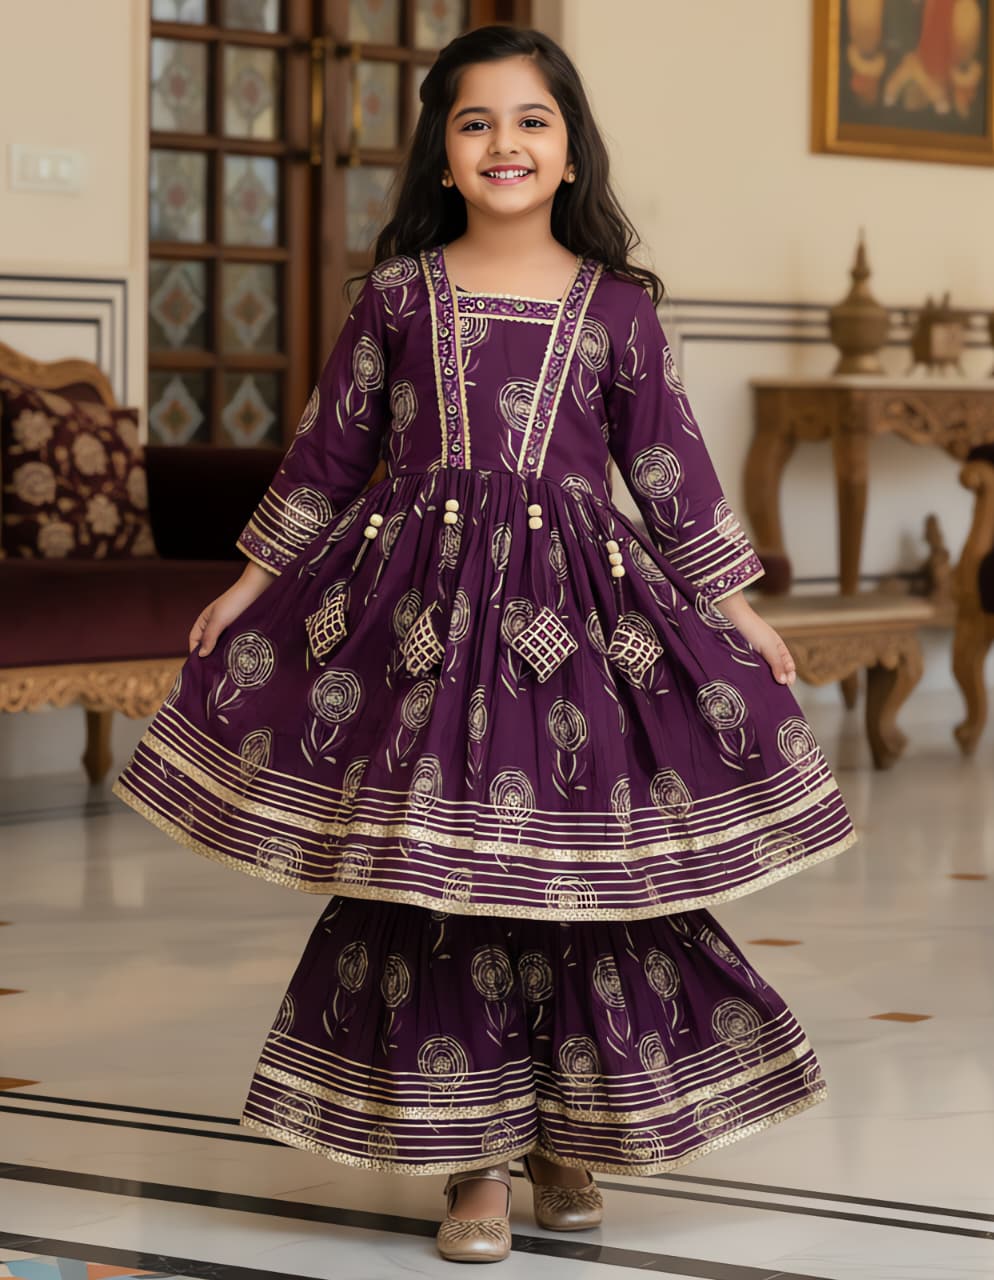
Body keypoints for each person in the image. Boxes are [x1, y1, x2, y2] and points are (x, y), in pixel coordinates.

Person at [112, 24, 858, 1266]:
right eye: (474, 123)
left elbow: (669, 471)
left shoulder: (619, 310)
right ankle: (471, 1166)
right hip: (419, 626)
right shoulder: (396, 299)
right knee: (437, 882)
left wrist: (738, 610)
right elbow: (328, 452)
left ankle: (566, 1132)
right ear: (441, 156)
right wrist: (250, 584)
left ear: (569, 153)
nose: (503, 143)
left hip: (578, 625)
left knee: (573, 889)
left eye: (531, 121)